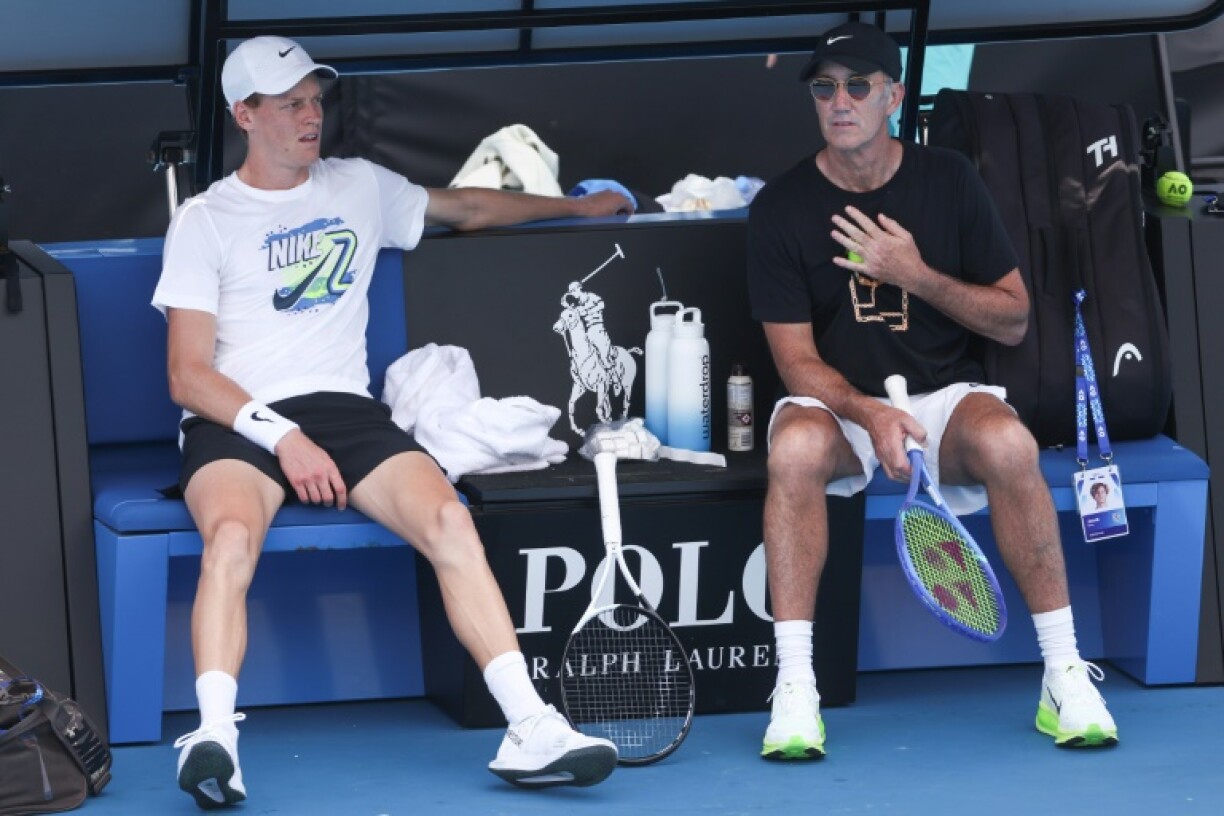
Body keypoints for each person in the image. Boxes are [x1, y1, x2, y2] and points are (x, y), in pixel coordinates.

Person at [152, 36, 634, 810]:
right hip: (238, 420)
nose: (312, 118)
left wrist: (576, 207)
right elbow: (187, 374)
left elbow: (468, 206)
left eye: (316, 101)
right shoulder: (206, 220)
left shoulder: (360, 185)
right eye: (289, 105)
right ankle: (216, 739)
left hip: (345, 410)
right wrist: (281, 436)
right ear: (244, 114)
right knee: (233, 538)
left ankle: (531, 726)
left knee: (450, 518)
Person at [745, 20, 1118, 760]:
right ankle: (794, 687)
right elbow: (794, 362)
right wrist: (869, 411)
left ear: (894, 96)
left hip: (943, 398)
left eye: (858, 85)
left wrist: (913, 275)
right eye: (824, 87)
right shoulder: (781, 208)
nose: (840, 101)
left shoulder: (948, 179)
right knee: (792, 450)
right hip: (841, 402)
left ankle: (1063, 674)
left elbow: (1012, 320)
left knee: (1009, 444)